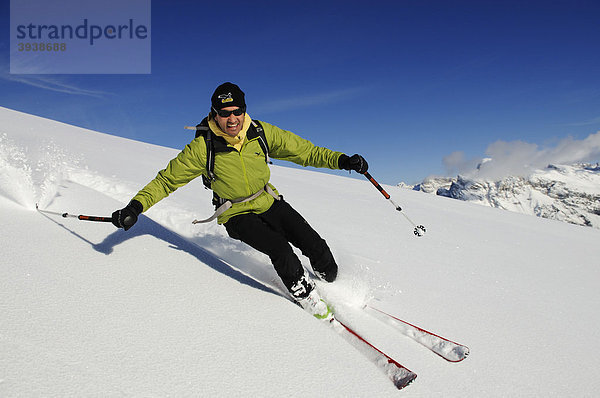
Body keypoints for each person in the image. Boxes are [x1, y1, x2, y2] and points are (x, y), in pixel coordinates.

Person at [112, 82, 368, 319]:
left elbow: (305, 152)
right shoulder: (204, 147)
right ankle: (307, 297)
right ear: (214, 113)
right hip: (235, 213)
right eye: (224, 113)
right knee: (280, 250)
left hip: (267, 200)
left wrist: (342, 161)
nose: (231, 118)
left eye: (237, 111)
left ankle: (331, 283)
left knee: (314, 244)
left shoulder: (260, 132)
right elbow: (166, 180)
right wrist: (136, 207)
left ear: (244, 111)